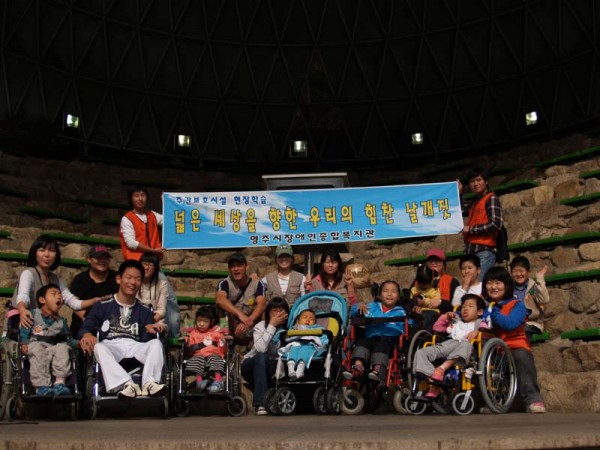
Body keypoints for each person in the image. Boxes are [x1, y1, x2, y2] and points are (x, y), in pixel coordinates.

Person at [78, 260, 167, 399]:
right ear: (119, 279)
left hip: (135, 346)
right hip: (111, 346)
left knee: (156, 343)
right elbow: (85, 327)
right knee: (99, 347)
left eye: (138, 279)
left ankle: (150, 383)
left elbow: (145, 341)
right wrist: (87, 334)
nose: (133, 282)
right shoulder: (103, 305)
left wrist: (149, 330)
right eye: (129, 277)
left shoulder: (145, 310)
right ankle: (126, 384)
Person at [483, 266, 546, 413]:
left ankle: (533, 399)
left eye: (498, 283)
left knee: (522, 356)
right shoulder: (484, 306)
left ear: (506, 285)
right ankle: (493, 401)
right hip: (494, 349)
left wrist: (493, 312)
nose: (493, 287)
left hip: (515, 346)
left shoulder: (517, 305)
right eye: (489, 283)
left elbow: (510, 324)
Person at [12, 234, 99, 329]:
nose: (47, 255)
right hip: (20, 328)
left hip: (40, 330)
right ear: (34, 253)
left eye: (51, 250)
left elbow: (73, 303)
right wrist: (22, 310)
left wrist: (95, 300)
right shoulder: (28, 273)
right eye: (42, 250)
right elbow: (23, 297)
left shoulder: (55, 279)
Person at [413, 294, 488, 399]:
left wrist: (477, 332)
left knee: (465, 344)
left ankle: (442, 369)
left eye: (470, 306)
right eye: (463, 306)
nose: (466, 309)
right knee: (421, 352)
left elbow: (487, 334)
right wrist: (445, 317)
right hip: (447, 345)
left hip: (464, 348)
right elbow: (437, 328)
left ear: (479, 312)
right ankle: (433, 380)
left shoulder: (480, 324)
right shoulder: (455, 322)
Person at [19, 284, 78, 397]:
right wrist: (24, 342)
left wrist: (78, 343)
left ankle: (59, 383)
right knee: (37, 348)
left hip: (52, 347)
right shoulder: (32, 314)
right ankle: (41, 386)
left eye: (60, 294)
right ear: (42, 300)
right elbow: (24, 331)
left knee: (63, 348)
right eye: (54, 294)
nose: (59, 297)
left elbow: (67, 339)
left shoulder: (61, 321)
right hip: (34, 345)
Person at [343, 280, 406, 382]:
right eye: (385, 291)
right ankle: (357, 367)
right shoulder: (373, 307)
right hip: (372, 337)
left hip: (390, 339)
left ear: (398, 297)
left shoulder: (401, 311)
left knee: (382, 344)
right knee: (361, 342)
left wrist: (415, 314)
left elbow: (411, 323)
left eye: (393, 291)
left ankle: (377, 369)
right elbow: (353, 312)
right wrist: (359, 307)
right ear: (380, 295)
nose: (389, 294)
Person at [241, 297, 289, 415]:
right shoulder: (261, 326)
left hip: (275, 366)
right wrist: (272, 326)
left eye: (281, 311)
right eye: (274, 311)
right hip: (252, 365)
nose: (278, 314)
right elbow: (260, 349)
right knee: (261, 356)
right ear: (268, 313)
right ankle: (260, 403)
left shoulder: (290, 328)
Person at [459, 168, 503, 281]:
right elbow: (461, 211)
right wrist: (459, 194)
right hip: (471, 252)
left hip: (484, 251)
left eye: (478, 180)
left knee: (478, 286)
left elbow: (496, 224)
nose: (475, 184)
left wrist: (470, 229)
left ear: (486, 181)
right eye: (472, 181)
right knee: (471, 286)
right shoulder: (475, 202)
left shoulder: (491, 198)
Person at [69, 244, 119, 338]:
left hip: (111, 324)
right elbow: (74, 304)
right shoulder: (80, 279)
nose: (102, 261)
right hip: (83, 324)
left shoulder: (117, 278)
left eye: (105, 258)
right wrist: (88, 319)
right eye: (98, 258)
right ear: (89, 259)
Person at [215, 253, 266, 344]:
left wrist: (247, 321)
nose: (236, 269)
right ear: (229, 269)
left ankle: (257, 343)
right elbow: (220, 300)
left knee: (266, 310)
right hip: (232, 324)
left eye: (239, 265)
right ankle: (226, 339)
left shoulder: (257, 284)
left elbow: (262, 304)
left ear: (246, 266)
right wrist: (240, 315)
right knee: (220, 307)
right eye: (233, 266)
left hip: (251, 322)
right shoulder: (224, 283)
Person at [276, 309, 328, 380]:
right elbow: (282, 336)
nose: (308, 320)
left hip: (310, 345)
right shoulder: (294, 329)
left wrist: (325, 343)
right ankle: (291, 369)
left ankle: (300, 370)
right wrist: (287, 334)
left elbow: (325, 337)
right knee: (293, 349)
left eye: (311, 319)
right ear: (298, 321)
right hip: (296, 344)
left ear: (315, 322)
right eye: (305, 317)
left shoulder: (317, 329)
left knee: (305, 349)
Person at [185, 306, 227, 393]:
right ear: (196, 320)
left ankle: (218, 381)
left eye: (205, 321)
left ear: (211, 322)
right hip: (198, 355)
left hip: (213, 354)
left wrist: (223, 343)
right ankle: (199, 382)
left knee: (215, 358)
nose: (201, 324)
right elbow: (190, 350)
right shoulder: (193, 333)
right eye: (199, 320)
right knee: (197, 359)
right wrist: (187, 342)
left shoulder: (215, 333)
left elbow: (222, 348)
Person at [509, 256, 550, 343]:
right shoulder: (509, 288)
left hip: (531, 324)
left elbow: (544, 300)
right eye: (515, 271)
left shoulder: (534, 287)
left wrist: (540, 281)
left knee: (522, 331)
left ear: (528, 272)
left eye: (521, 271)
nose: (518, 274)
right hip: (513, 323)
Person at [119, 186, 164, 261]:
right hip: (136, 261)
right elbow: (131, 243)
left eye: (143, 195)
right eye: (136, 196)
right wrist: (153, 251)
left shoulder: (152, 214)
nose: (140, 199)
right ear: (131, 199)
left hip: (153, 261)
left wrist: (165, 202)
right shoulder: (127, 218)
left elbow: (169, 221)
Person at [408, 265, 442, 331]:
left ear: (431, 281)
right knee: (411, 317)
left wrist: (424, 302)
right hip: (418, 312)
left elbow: (436, 301)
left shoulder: (434, 289)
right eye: (420, 283)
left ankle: (422, 332)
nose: (422, 286)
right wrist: (415, 307)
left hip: (431, 311)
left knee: (426, 317)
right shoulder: (414, 290)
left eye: (425, 284)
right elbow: (411, 302)